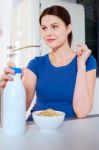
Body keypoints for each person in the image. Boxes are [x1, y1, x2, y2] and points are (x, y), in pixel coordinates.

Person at [0, 5, 96, 121]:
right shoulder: (35, 64)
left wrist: (81, 65)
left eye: (54, 26)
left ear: (68, 28)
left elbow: (81, 112)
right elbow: (19, 109)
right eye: (44, 28)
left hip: (69, 130)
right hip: (36, 126)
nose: (48, 33)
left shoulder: (87, 61)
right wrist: (12, 88)